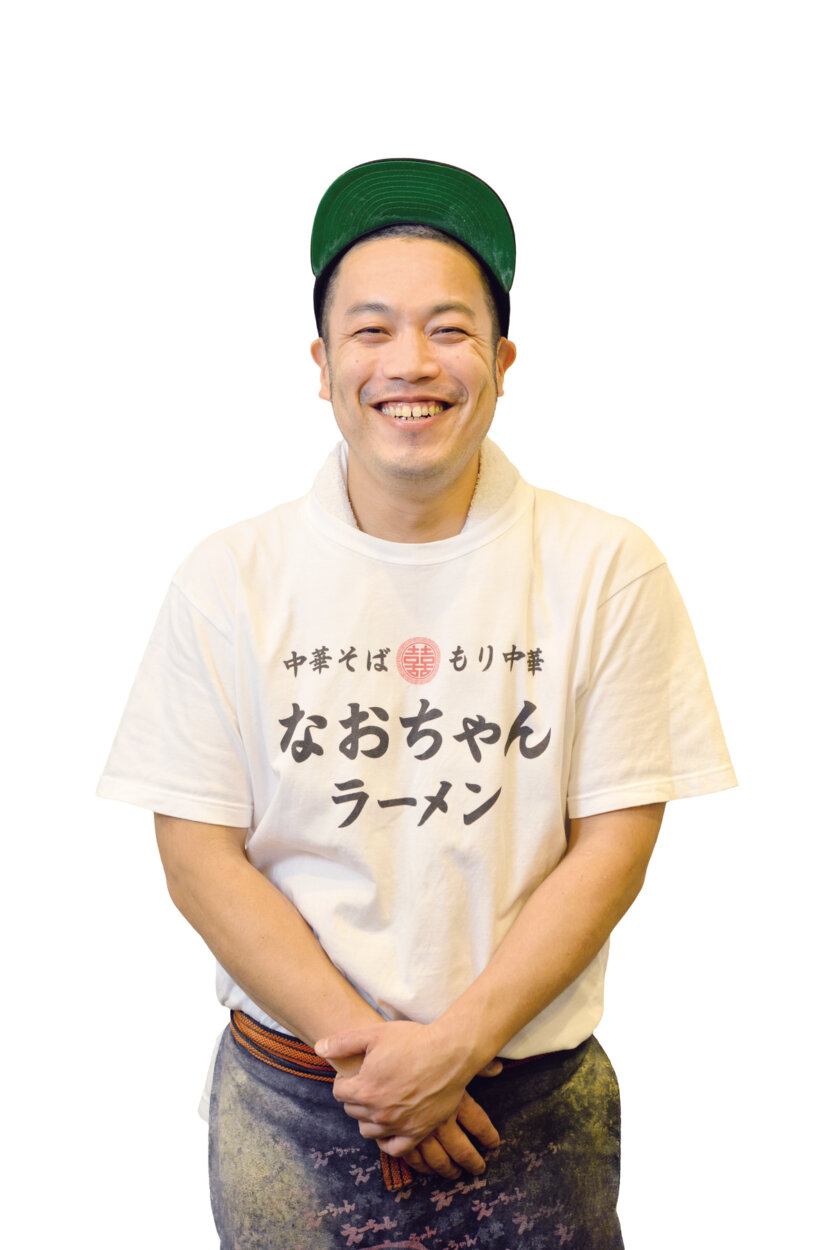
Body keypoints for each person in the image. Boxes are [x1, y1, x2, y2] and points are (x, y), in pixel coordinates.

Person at [98, 158, 737, 1248]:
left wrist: (455, 1045)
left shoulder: (604, 566)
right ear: (321, 363)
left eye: (449, 330)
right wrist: (375, 1058)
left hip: (530, 1106)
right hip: (296, 1103)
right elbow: (197, 850)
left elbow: (616, 841)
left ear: (502, 360)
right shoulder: (230, 576)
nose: (410, 364)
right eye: (371, 330)